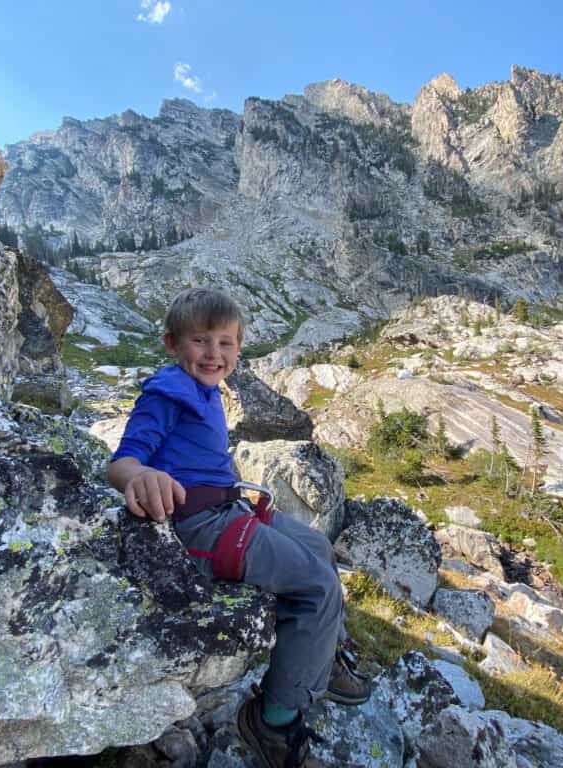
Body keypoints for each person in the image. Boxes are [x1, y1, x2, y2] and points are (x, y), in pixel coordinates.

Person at [107, 287, 370, 768]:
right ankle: (274, 721)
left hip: (227, 509)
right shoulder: (165, 393)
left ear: (239, 348)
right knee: (315, 586)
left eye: (226, 343)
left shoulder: (204, 390)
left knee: (316, 544)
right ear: (172, 344)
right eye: (201, 341)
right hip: (197, 525)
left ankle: (319, 653)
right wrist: (141, 477)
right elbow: (123, 460)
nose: (214, 354)